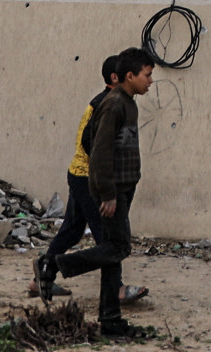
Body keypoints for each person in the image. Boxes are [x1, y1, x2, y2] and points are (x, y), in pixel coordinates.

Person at [37, 45, 155, 339]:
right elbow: (99, 151)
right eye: (147, 75)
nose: (150, 81)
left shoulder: (129, 102)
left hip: (123, 189)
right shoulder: (113, 104)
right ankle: (55, 263)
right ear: (129, 76)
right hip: (110, 190)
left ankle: (111, 320)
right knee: (117, 247)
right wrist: (107, 194)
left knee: (110, 249)